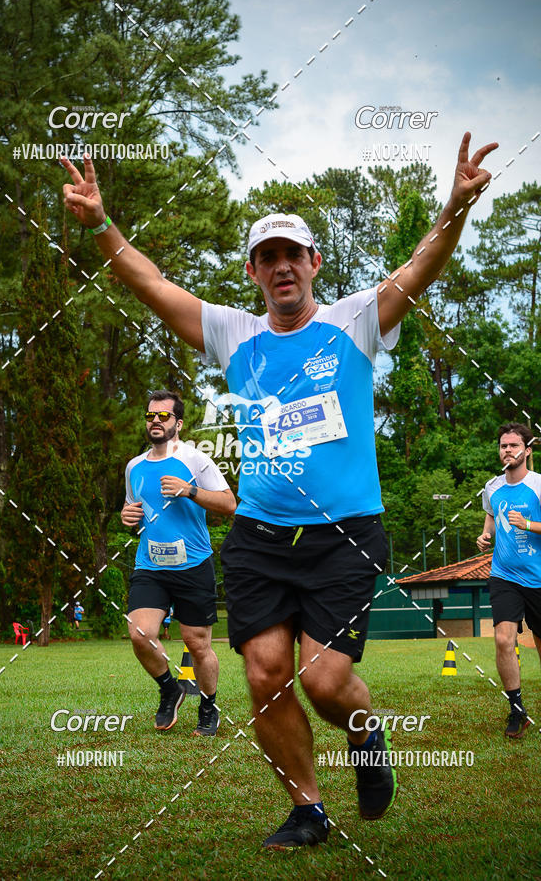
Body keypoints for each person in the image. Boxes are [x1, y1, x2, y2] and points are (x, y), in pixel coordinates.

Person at [62, 132, 496, 848]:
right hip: (260, 537)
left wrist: (454, 206)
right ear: (255, 273)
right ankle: (308, 809)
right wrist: (104, 226)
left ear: (314, 262)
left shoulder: (353, 320)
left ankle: (365, 736)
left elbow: (421, 267)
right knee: (264, 677)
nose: (283, 267)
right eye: (269, 257)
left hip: (344, 536)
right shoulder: (234, 334)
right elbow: (153, 285)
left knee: (325, 684)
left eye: (294, 253)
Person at [121, 390, 236, 736]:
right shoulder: (134, 467)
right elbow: (138, 516)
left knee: (198, 643)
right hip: (150, 565)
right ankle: (170, 688)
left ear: (178, 423)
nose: (155, 420)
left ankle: (208, 704)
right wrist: (128, 519)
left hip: (193, 565)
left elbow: (230, 504)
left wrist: (190, 491)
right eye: (150, 415)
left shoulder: (195, 460)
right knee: (140, 635)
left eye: (163, 416)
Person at [477, 422, 541, 738]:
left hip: (539, 578)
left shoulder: (539, 485)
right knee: (503, 639)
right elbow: (491, 515)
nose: (507, 451)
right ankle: (517, 711)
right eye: (503, 445)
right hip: (504, 575)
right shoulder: (492, 486)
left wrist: (528, 524)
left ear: (527, 450)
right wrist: (485, 534)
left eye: (514, 445)